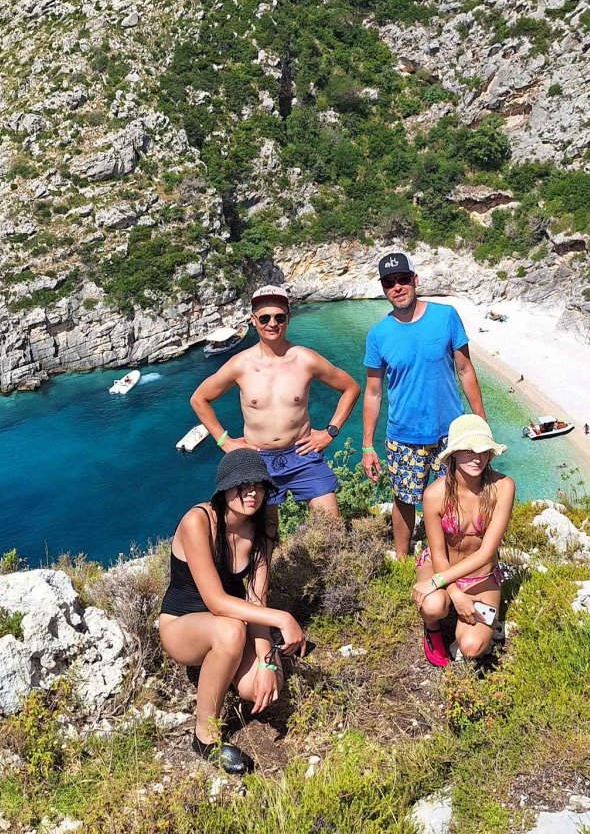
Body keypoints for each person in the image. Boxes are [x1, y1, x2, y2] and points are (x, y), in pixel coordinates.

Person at [157, 448, 307, 775]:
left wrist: (267, 661)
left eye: (259, 485)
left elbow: (256, 600)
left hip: (233, 623)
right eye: (243, 485)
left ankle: (231, 663)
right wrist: (283, 618)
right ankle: (204, 737)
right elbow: (215, 601)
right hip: (183, 625)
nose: (252, 492)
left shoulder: (263, 526)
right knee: (231, 630)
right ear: (225, 488)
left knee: (263, 687)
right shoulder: (199, 521)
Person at [191, 285, 361, 524]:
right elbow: (199, 399)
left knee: (331, 526)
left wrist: (330, 431)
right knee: (266, 534)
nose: (272, 323)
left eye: (279, 317)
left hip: (303, 454)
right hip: (259, 460)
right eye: (265, 318)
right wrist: (224, 441)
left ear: (288, 319)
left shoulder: (305, 359)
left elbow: (351, 387)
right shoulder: (240, 364)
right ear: (253, 320)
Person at [361, 252, 488, 559]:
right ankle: (402, 559)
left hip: (451, 433)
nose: (397, 287)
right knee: (404, 500)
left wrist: (481, 424)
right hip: (404, 435)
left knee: (454, 497)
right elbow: (373, 392)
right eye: (389, 283)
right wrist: (367, 445)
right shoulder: (378, 334)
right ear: (384, 288)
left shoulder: (446, 316)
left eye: (403, 279)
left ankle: (452, 556)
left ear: (415, 280)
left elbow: (465, 370)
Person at [411, 414, 515, 667]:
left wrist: (437, 583)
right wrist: (455, 593)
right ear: (453, 454)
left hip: (482, 575)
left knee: (472, 646)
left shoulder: (503, 487)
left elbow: (486, 552)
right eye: (468, 450)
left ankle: (462, 614)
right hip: (441, 566)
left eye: (483, 451)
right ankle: (433, 629)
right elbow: (438, 554)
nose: (477, 457)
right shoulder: (434, 495)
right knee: (433, 605)